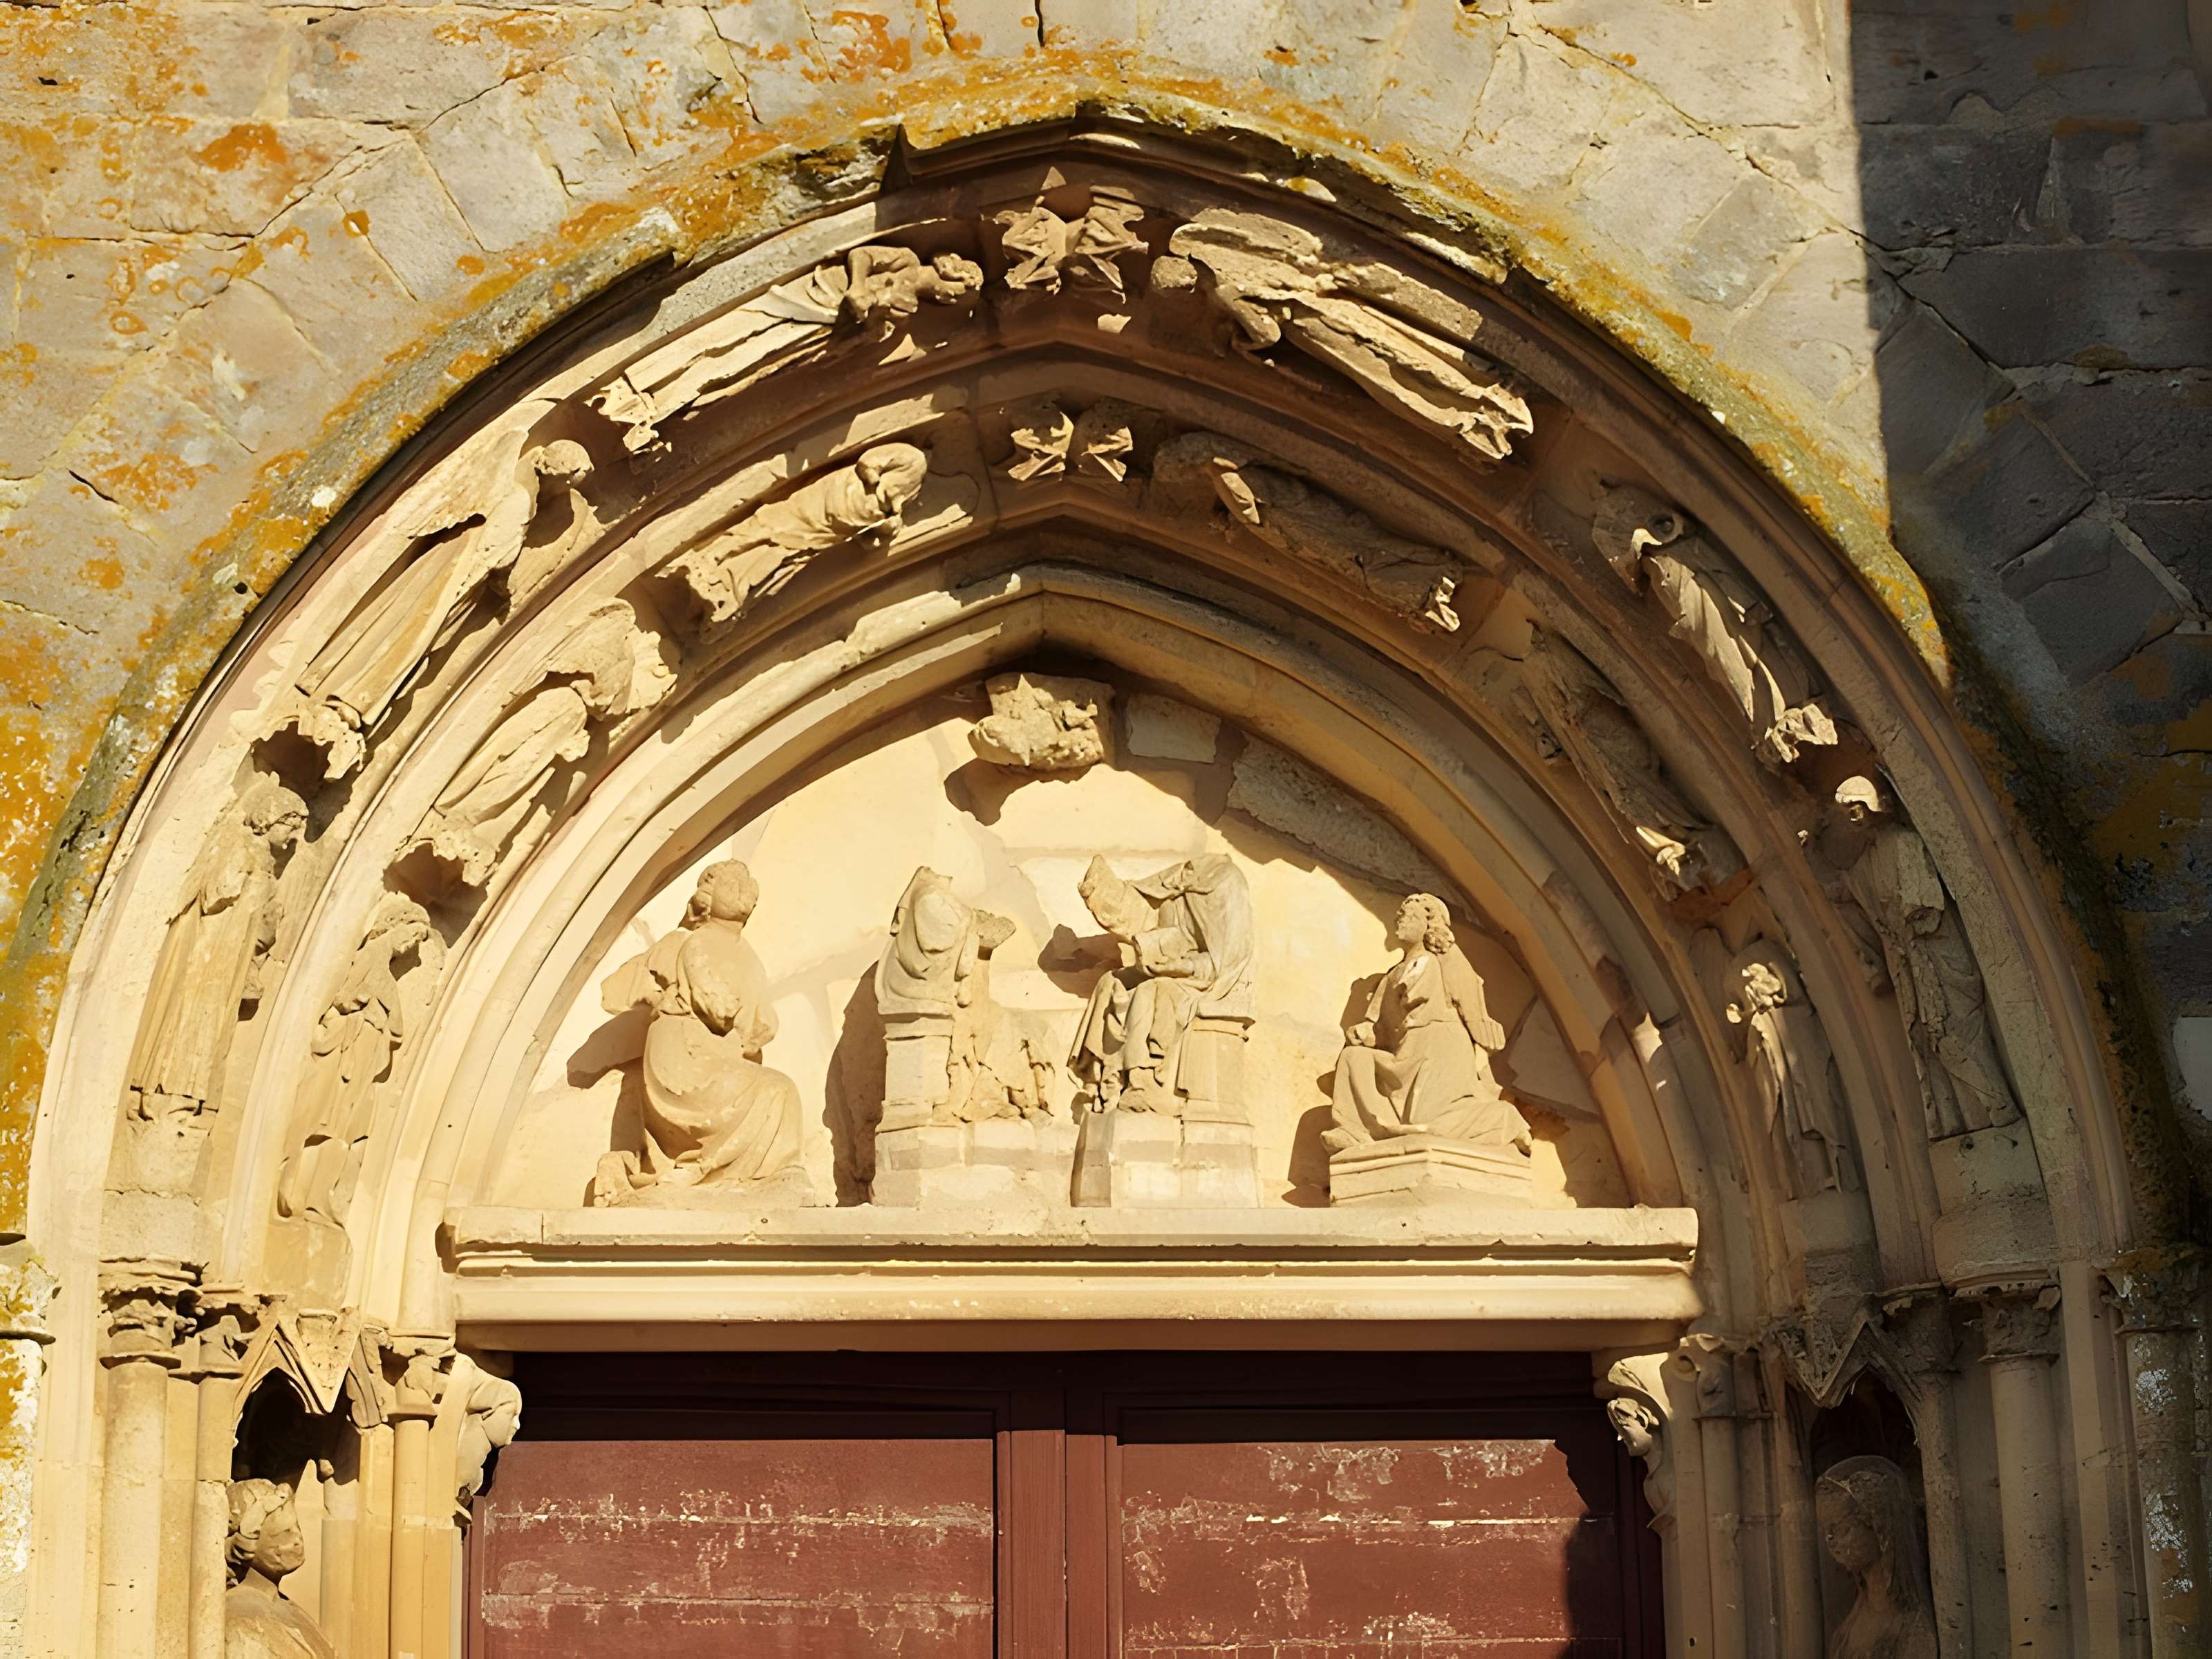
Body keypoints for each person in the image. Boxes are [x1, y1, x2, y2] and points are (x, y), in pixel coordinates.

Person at [1323, 893, 1530, 1153]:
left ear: (1429, 925)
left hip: (1438, 1048)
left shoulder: (1437, 962)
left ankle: (1503, 1120)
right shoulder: (1391, 975)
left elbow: (1461, 1002)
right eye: (1400, 916)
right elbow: (1379, 1026)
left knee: (1429, 1119)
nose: (1401, 920)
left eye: (1410, 916)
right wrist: (1365, 1033)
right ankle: (1354, 1130)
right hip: (1404, 1053)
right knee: (1354, 1058)